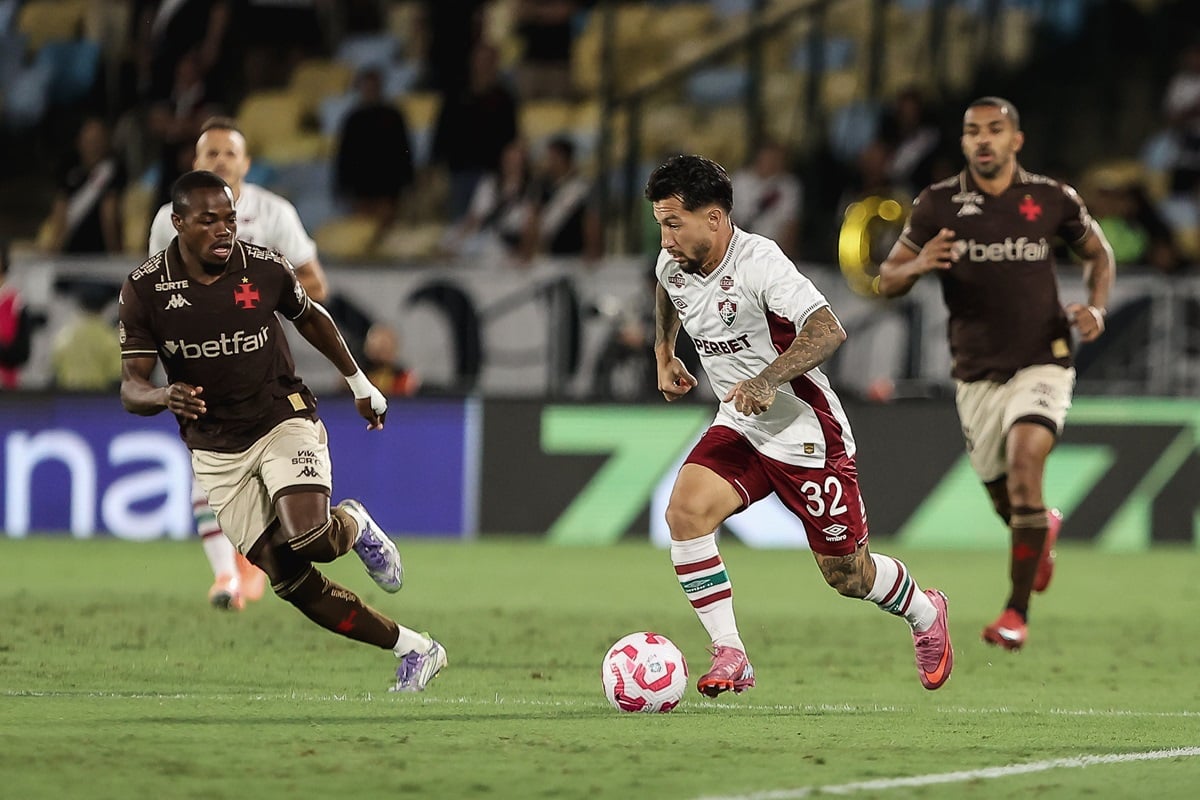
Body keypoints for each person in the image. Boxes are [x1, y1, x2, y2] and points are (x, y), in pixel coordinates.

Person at [120, 170, 447, 692]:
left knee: (312, 537)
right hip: (215, 450)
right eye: (209, 221)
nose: (225, 231)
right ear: (177, 223)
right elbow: (131, 387)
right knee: (291, 580)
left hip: (280, 416)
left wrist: (360, 382)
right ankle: (415, 649)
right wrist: (162, 395)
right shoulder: (144, 291)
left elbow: (311, 317)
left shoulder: (263, 268)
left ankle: (354, 525)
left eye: (230, 218)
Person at [646, 154, 953, 696]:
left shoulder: (760, 262)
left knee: (847, 576)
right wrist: (664, 349)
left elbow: (828, 330)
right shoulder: (674, 263)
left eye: (674, 224)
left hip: (805, 433)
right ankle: (730, 652)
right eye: (661, 225)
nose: (666, 240)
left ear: (715, 219)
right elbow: (668, 290)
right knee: (685, 512)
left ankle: (927, 613)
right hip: (742, 425)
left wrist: (767, 379)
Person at [877, 97, 1115, 651]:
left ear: (1016, 140)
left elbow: (1098, 255)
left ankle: (1015, 612)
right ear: (962, 142)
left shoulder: (1051, 198)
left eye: (995, 130)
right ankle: (1039, 527)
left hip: (1043, 358)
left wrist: (1096, 308)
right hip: (976, 371)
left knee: (1028, 461)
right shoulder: (936, 205)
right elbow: (886, 279)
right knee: (1007, 500)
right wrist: (918, 264)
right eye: (972, 132)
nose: (983, 140)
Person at [149, 116, 330, 612]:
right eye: (211, 154)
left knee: (270, 477)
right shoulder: (169, 218)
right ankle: (227, 577)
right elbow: (157, 294)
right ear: (195, 164)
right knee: (206, 471)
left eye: (230, 154)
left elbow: (316, 286)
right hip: (201, 366)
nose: (221, 162)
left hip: (261, 366)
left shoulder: (274, 213)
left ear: (246, 164)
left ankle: (253, 567)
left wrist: (264, 289)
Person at [43, 118, 126, 255]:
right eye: (89, 141)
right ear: (79, 142)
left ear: (106, 142)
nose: (93, 146)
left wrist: (115, 254)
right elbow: (60, 208)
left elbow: (109, 213)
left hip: (99, 253)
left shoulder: (113, 172)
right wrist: (55, 247)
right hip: (68, 252)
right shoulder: (69, 170)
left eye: (97, 141)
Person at [730, 140, 803, 260]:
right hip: (740, 251)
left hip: (773, 253)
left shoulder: (788, 186)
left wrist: (782, 258)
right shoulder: (738, 181)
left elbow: (791, 225)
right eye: (769, 158)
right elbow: (729, 218)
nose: (773, 162)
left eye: (777, 159)